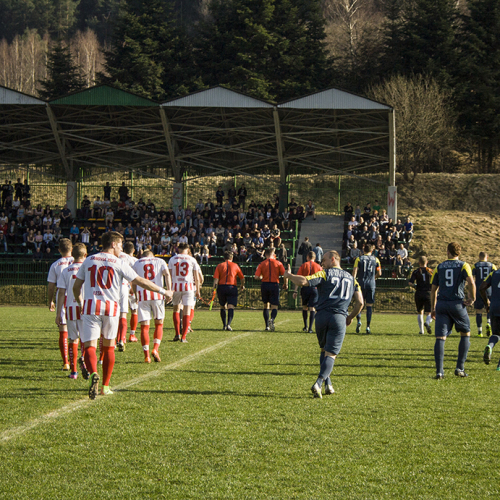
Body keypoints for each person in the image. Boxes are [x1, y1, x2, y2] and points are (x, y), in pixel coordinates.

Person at [73, 231, 173, 398]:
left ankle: (92, 374)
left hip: (91, 306)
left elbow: (77, 287)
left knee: (90, 346)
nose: (121, 248)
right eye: (119, 245)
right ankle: (105, 386)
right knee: (109, 346)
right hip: (111, 309)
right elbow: (141, 281)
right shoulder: (118, 262)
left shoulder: (89, 259)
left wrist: (81, 302)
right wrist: (164, 291)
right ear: (113, 244)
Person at [285, 250, 363, 398]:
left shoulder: (324, 274)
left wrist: (289, 276)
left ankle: (328, 385)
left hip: (321, 317)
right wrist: (351, 317)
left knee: (324, 351)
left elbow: (303, 281)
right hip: (339, 317)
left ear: (333, 259)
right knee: (331, 354)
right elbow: (360, 302)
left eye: (325, 261)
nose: (322, 264)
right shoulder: (352, 279)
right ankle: (319, 382)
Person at [430, 242, 475, 379]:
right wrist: (472, 298)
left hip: (442, 305)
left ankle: (439, 371)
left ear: (447, 252)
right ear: (459, 253)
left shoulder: (439, 266)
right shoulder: (464, 265)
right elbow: (471, 282)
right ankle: (459, 368)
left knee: (440, 337)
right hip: (457, 304)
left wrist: (433, 308)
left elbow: (433, 290)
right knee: (465, 333)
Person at [56, 243, 89, 380]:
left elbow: (61, 292)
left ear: (72, 255)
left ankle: (74, 371)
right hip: (85, 307)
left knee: (72, 339)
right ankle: (85, 363)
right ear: (85, 255)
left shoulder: (66, 271)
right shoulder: (88, 269)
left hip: (70, 308)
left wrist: (58, 313)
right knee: (86, 338)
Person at [132, 250, 171, 362]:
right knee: (159, 324)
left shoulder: (137, 262)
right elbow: (167, 274)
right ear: (152, 255)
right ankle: (155, 349)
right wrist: (168, 290)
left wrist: (135, 294)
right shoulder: (160, 260)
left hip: (143, 296)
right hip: (158, 296)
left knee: (145, 327)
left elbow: (134, 281)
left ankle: (146, 356)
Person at [47, 238, 74, 371]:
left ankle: (66, 363)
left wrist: (50, 300)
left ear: (59, 250)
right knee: (78, 331)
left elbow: (51, 286)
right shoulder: (79, 261)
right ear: (71, 249)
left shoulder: (56, 265)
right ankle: (78, 360)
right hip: (77, 297)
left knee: (63, 330)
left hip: (62, 297)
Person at [168, 242, 201, 343]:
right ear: (187, 249)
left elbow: (168, 276)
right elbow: (197, 277)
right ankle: (184, 337)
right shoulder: (191, 259)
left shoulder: (172, 259)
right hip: (188, 287)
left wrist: (169, 289)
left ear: (178, 249)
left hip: (176, 287)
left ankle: (177, 333)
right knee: (186, 311)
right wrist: (198, 290)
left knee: (176, 310)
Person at [254, 247, 287, 331]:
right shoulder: (278, 263)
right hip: (274, 284)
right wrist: (285, 284)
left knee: (266, 305)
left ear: (265, 255)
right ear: (273, 254)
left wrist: (262, 276)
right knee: (275, 306)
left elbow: (256, 276)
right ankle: (271, 319)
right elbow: (285, 275)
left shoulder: (262, 264)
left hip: (265, 285)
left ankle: (266, 326)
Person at [352, 244, 381, 334]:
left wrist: (354, 282)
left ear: (363, 250)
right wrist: (374, 278)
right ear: (371, 251)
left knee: (360, 303)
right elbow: (379, 273)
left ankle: (359, 321)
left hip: (361, 283)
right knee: (369, 305)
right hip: (371, 284)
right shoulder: (376, 259)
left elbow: (354, 272)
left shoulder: (359, 259)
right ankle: (368, 326)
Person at [213, 251, 245, 331]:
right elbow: (242, 278)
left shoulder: (219, 266)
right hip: (232, 287)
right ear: (232, 258)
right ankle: (229, 324)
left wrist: (214, 289)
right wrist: (242, 285)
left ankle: (224, 325)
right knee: (231, 306)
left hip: (221, 287)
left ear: (224, 258)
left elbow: (216, 280)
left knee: (222, 306)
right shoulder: (235, 265)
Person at [294, 251, 322, 333]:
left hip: (305, 288)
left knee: (304, 307)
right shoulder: (318, 266)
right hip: (314, 288)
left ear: (307, 257)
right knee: (312, 308)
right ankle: (310, 328)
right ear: (315, 258)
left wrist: (295, 290)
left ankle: (305, 326)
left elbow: (298, 278)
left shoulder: (303, 265)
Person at [472, 252, 496, 337]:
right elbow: (495, 277)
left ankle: (479, 332)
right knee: (489, 307)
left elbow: (472, 277)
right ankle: (489, 322)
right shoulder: (492, 265)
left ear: (479, 257)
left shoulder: (476, 265)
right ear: (487, 257)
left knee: (479, 311)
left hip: (479, 289)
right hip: (489, 289)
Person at [480, 269, 500, 370]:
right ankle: (499, 366)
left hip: (494, 307)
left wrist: (486, 302)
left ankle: (490, 346)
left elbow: (482, 288)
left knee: (496, 334)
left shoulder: (494, 273)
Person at [408, 256, 434, 335]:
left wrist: (415, 286)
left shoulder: (416, 271)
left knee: (420, 312)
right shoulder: (431, 271)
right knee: (429, 312)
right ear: (427, 262)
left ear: (419, 262)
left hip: (419, 293)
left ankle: (421, 331)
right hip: (428, 293)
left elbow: (410, 283)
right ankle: (427, 323)